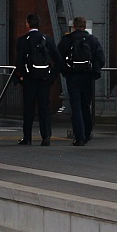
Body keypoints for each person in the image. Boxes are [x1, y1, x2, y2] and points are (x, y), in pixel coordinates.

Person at [57, 16, 106, 146]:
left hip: (72, 77)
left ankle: (79, 137)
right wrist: (94, 71)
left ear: (73, 26)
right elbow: (101, 58)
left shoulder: (67, 40)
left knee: (76, 106)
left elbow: (58, 57)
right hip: (87, 77)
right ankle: (88, 132)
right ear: (85, 26)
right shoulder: (93, 40)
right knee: (85, 105)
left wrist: (65, 71)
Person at [14, 13, 60, 146]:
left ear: (28, 24)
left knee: (28, 108)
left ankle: (27, 137)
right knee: (44, 108)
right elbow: (58, 59)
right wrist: (52, 76)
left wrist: (20, 77)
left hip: (29, 80)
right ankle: (46, 136)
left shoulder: (23, 40)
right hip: (45, 80)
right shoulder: (48, 39)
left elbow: (20, 61)